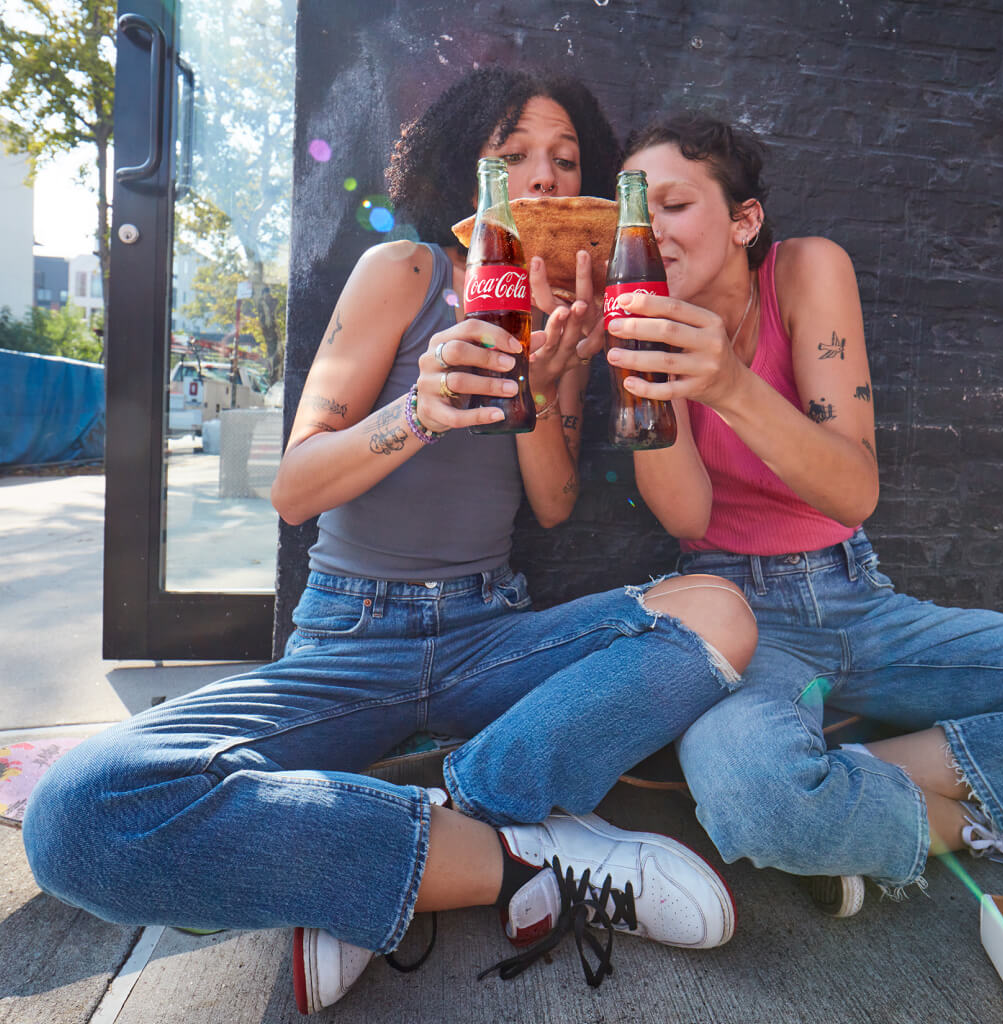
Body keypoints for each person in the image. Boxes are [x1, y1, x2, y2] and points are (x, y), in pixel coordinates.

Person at [21, 75, 756, 1014]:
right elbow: (294, 488)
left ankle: (383, 844)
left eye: (566, 161)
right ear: (467, 167)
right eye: (513, 155)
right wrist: (420, 409)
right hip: (351, 640)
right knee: (81, 815)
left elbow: (558, 505)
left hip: (489, 630)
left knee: (719, 611)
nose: (542, 177)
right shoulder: (402, 273)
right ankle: (518, 856)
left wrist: (538, 376)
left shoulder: (570, 302)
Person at [597, 112, 1003, 916]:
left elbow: (852, 491)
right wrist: (642, 372)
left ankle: (851, 792)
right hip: (735, 614)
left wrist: (731, 386)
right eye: (634, 212)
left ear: (745, 221)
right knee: (757, 797)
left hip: (859, 599)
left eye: (672, 205)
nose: (650, 230)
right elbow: (687, 515)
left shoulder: (806, 272)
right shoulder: (636, 323)